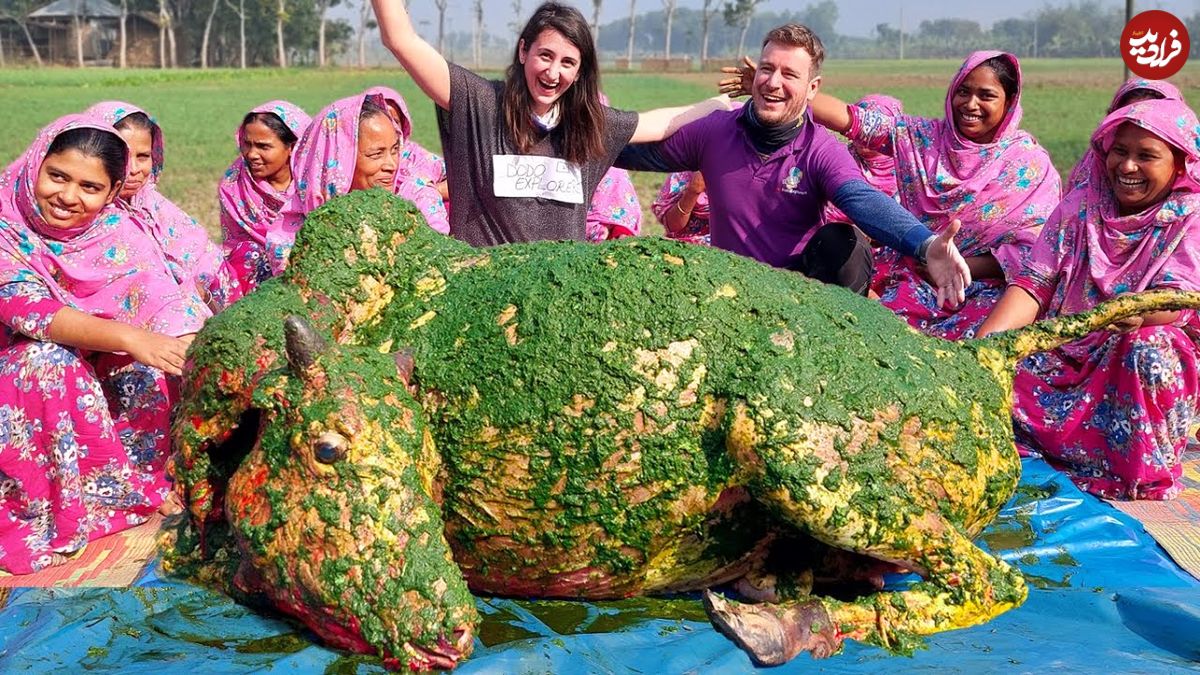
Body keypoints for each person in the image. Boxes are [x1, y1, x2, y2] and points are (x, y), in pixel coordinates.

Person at [617, 23, 970, 304]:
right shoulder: (714, 131)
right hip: (729, 286)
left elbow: (861, 199)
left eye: (789, 74)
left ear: (812, 87)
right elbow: (640, 153)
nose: (773, 82)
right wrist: (577, 135)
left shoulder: (819, 148)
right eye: (767, 69)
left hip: (800, 292)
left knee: (845, 243)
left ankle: (834, 339)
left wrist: (924, 245)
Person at [0, 114, 211, 574]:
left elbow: (163, 301)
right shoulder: (5, 220)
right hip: (17, 368)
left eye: (90, 187)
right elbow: (28, 310)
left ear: (113, 194)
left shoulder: (115, 231)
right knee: (44, 361)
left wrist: (191, 350)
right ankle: (40, 506)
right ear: (37, 162)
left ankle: (118, 486)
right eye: (57, 176)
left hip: (86, 366)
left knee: (158, 364)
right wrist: (130, 337)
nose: (68, 197)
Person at [977, 98, 1200, 500]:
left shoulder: (1190, 217)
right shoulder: (1080, 205)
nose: (1128, 167)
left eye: (1146, 156)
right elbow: (1034, 284)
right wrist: (981, 349)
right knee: (993, 358)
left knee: (1146, 349)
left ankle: (1135, 463)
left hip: (1136, 351)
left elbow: (1179, 299)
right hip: (1068, 352)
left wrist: (1138, 315)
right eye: (1120, 151)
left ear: (1180, 164)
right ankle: (1066, 446)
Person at [371, 0, 734, 246]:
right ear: (523, 51)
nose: (553, 72)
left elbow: (663, 121)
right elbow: (400, 39)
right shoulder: (479, 102)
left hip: (555, 304)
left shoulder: (589, 126)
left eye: (567, 63)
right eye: (545, 55)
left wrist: (725, 102)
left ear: (579, 73)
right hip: (479, 300)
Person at [808, 51, 1061, 339]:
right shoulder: (921, 138)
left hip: (988, 288)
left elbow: (1038, 251)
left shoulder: (1029, 164)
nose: (970, 104)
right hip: (914, 276)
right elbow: (850, 119)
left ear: (1010, 100)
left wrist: (962, 267)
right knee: (878, 335)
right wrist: (786, 91)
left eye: (986, 95)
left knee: (982, 351)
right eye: (963, 92)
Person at [267, 87, 449, 274]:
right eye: (376, 154)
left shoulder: (416, 201)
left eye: (395, 150)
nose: (392, 165)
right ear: (338, 160)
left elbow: (437, 264)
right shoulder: (291, 230)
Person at [86, 101, 236, 310]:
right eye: (123, 156)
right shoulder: (86, 214)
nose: (134, 169)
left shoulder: (154, 205)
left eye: (143, 156)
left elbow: (205, 260)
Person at [218, 100, 312, 296]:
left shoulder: (313, 183)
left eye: (263, 146)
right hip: (256, 276)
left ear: (292, 147)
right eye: (247, 144)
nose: (252, 154)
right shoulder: (234, 184)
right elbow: (236, 248)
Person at [1066, 78, 1184, 190]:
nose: (1128, 167)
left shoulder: (1190, 207)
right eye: (1127, 117)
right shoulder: (1088, 180)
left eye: (1146, 156)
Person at [819, 94, 903, 227]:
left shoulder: (907, 170)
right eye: (861, 130)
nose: (864, 138)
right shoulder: (838, 160)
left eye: (873, 132)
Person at [652, 171, 712, 245]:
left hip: (725, 251)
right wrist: (693, 190)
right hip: (684, 247)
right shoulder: (685, 173)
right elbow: (672, 226)